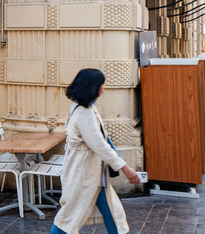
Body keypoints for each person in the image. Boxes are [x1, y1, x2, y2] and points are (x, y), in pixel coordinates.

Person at [50, 68, 140, 234]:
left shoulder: (82, 106)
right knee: (69, 218)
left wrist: (120, 162)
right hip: (85, 175)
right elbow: (99, 144)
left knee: (113, 214)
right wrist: (125, 168)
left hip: (92, 175)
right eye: (102, 83)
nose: (104, 87)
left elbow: (102, 141)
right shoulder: (85, 112)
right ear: (93, 87)